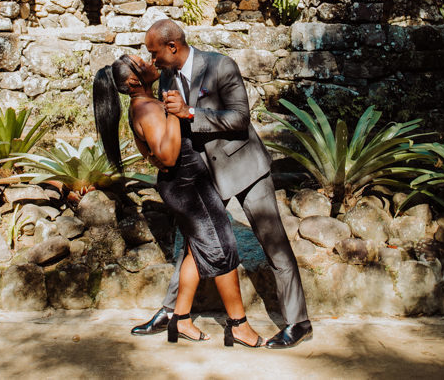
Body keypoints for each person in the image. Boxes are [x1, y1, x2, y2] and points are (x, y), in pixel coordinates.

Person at [133, 19, 312, 349]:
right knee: (194, 244)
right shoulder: (167, 78)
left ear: (172, 46)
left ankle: (298, 322)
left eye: (154, 52)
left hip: (244, 168)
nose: (152, 60)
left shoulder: (220, 66)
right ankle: (173, 313)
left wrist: (190, 113)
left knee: (273, 242)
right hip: (204, 175)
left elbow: (240, 118)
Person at [93, 53, 264, 347]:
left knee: (196, 250)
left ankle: (181, 319)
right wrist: (175, 112)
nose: (149, 61)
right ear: (134, 81)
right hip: (188, 186)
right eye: (142, 62)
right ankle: (238, 325)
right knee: (222, 247)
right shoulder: (146, 108)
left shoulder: (142, 106)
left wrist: (170, 116)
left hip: (183, 185)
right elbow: (168, 157)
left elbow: (150, 152)